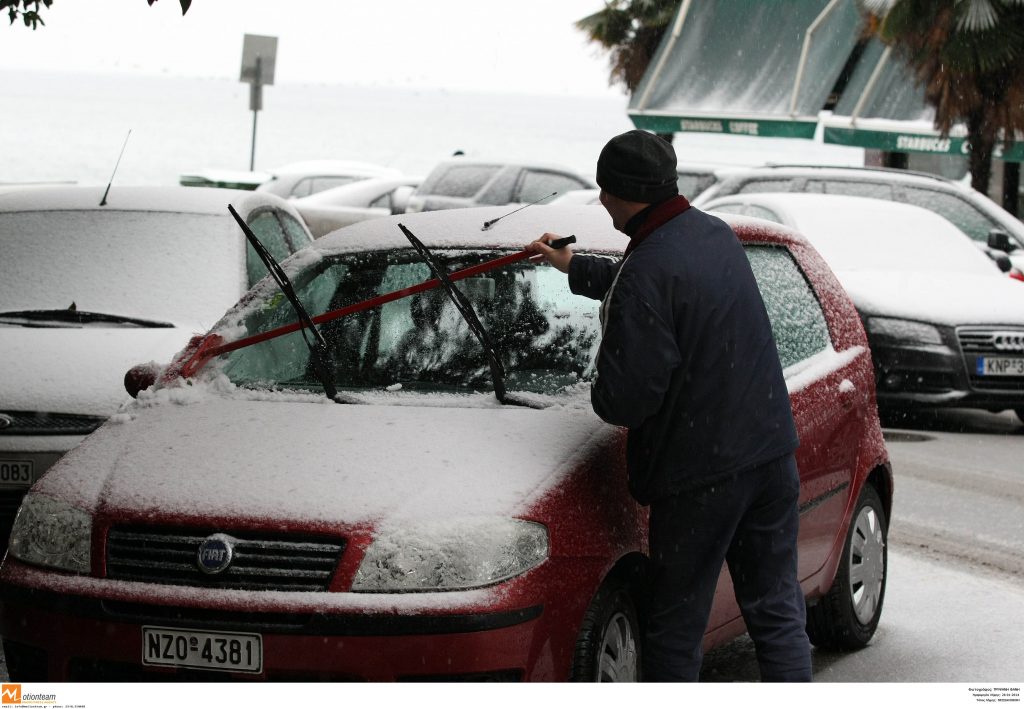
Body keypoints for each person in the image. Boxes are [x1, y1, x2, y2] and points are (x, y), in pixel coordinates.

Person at [526, 129, 812, 682]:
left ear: (625, 193)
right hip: (770, 458)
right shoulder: (711, 235)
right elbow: (665, 288)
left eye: (604, 189)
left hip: (700, 477)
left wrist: (589, 382)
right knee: (777, 613)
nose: (601, 200)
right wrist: (575, 266)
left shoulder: (650, 267)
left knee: (675, 627)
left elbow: (626, 399)